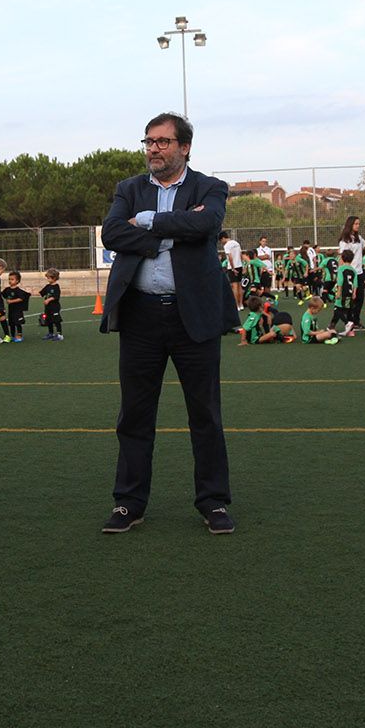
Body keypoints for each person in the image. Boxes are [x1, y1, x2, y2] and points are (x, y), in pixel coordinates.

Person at [98, 113, 239, 535]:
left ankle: (213, 502)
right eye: (149, 141)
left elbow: (206, 223)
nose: (153, 149)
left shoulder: (209, 188)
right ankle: (129, 503)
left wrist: (146, 222)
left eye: (162, 141)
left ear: (185, 147)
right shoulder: (129, 189)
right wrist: (171, 232)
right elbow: (110, 234)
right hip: (141, 316)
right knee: (135, 415)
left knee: (205, 415)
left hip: (192, 315)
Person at [2, 271, 30, 341]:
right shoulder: (7, 289)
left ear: (17, 281)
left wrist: (11, 301)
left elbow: (21, 298)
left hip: (18, 310)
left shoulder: (18, 290)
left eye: (12, 279)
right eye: (9, 279)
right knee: (11, 323)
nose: (10, 281)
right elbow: (3, 295)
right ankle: (12, 335)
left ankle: (19, 335)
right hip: (11, 310)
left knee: (18, 323)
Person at [220, 230, 244, 309]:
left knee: (235, 287)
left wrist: (233, 268)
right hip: (239, 265)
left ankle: (236, 305)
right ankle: (241, 305)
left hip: (233, 267)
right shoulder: (236, 243)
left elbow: (230, 257)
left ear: (223, 238)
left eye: (221, 240)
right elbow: (240, 254)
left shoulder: (227, 245)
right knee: (239, 286)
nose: (221, 242)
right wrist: (242, 265)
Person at [39, 269, 63, 340]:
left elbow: (56, 296)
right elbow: (41, 293)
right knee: (48, 320)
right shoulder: (47, 286)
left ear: (54, 278)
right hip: (48, 307)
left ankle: (59, 335)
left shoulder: (56, 287)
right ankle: (51, 333)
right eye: (47, 278)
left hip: (54, 307)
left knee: (56, 320)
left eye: (49, 278)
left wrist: (48, 300)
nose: (47, 279)